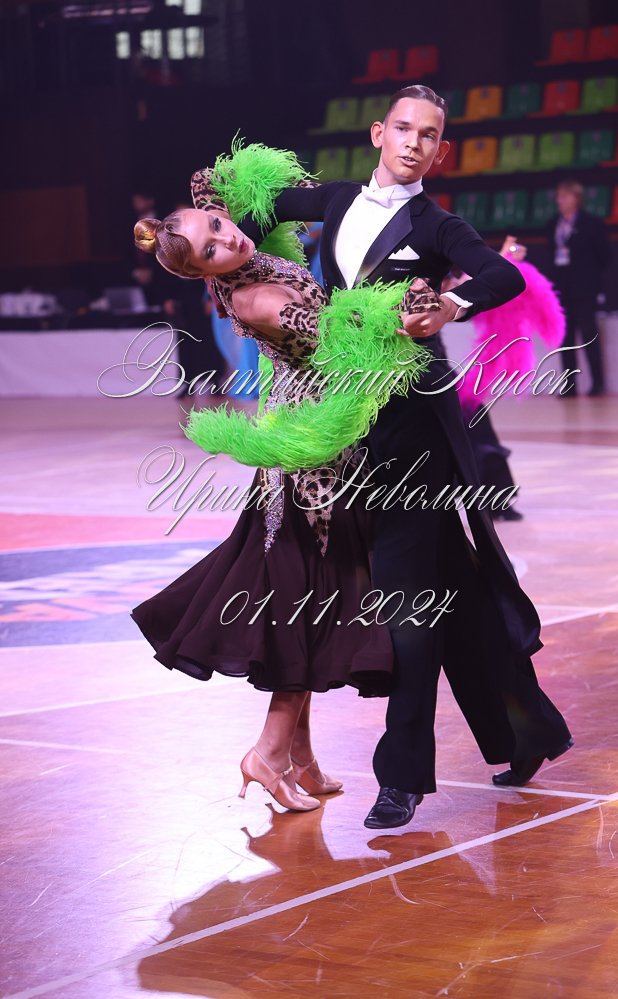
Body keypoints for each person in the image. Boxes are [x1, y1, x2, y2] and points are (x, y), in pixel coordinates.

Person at [232, 85, 573, 829]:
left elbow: (503, 275)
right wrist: (224, 258)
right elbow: (257, 212)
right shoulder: (336, 201)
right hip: (346, 421)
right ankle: (529, 729)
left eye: (429, 135)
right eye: (404, 129)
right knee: (456, 589)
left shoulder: (437, 224)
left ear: (440, 151)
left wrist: (451, 305)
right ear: (378, 134)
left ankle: (403, 776)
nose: (414, 143)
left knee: (407, 602)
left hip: (415, 424)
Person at [129, 160, 438, 815]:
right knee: (312, 606)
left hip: (308, 450)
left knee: (303, 600)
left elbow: (208, 179)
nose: (229, 236)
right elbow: (344, 344)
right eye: (212, 247)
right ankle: (268, 753)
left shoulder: (243, 261)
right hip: (311, 467)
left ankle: (300, 756)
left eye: (219, 224)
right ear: (204, 274)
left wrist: (210, 200)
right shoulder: (255, 299)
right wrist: (407, 305)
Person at [442, 235, 566, 521]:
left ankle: (496, 498)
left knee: (474, 422)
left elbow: (460, 291)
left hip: (432, 368)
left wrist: (500, 262)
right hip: (395, 372)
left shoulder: (436, 260)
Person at [545, 180, 611, 397]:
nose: (560, 201)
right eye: (558, 197)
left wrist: (590, 278)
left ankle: (598, 383)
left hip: (584, 289)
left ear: (576, 198)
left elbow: (604, 256)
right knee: (565, 338)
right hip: (561, 288)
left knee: (589, 335)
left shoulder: (592, 223)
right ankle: (569, 384)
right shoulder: (553, 224)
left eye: (564, 196)